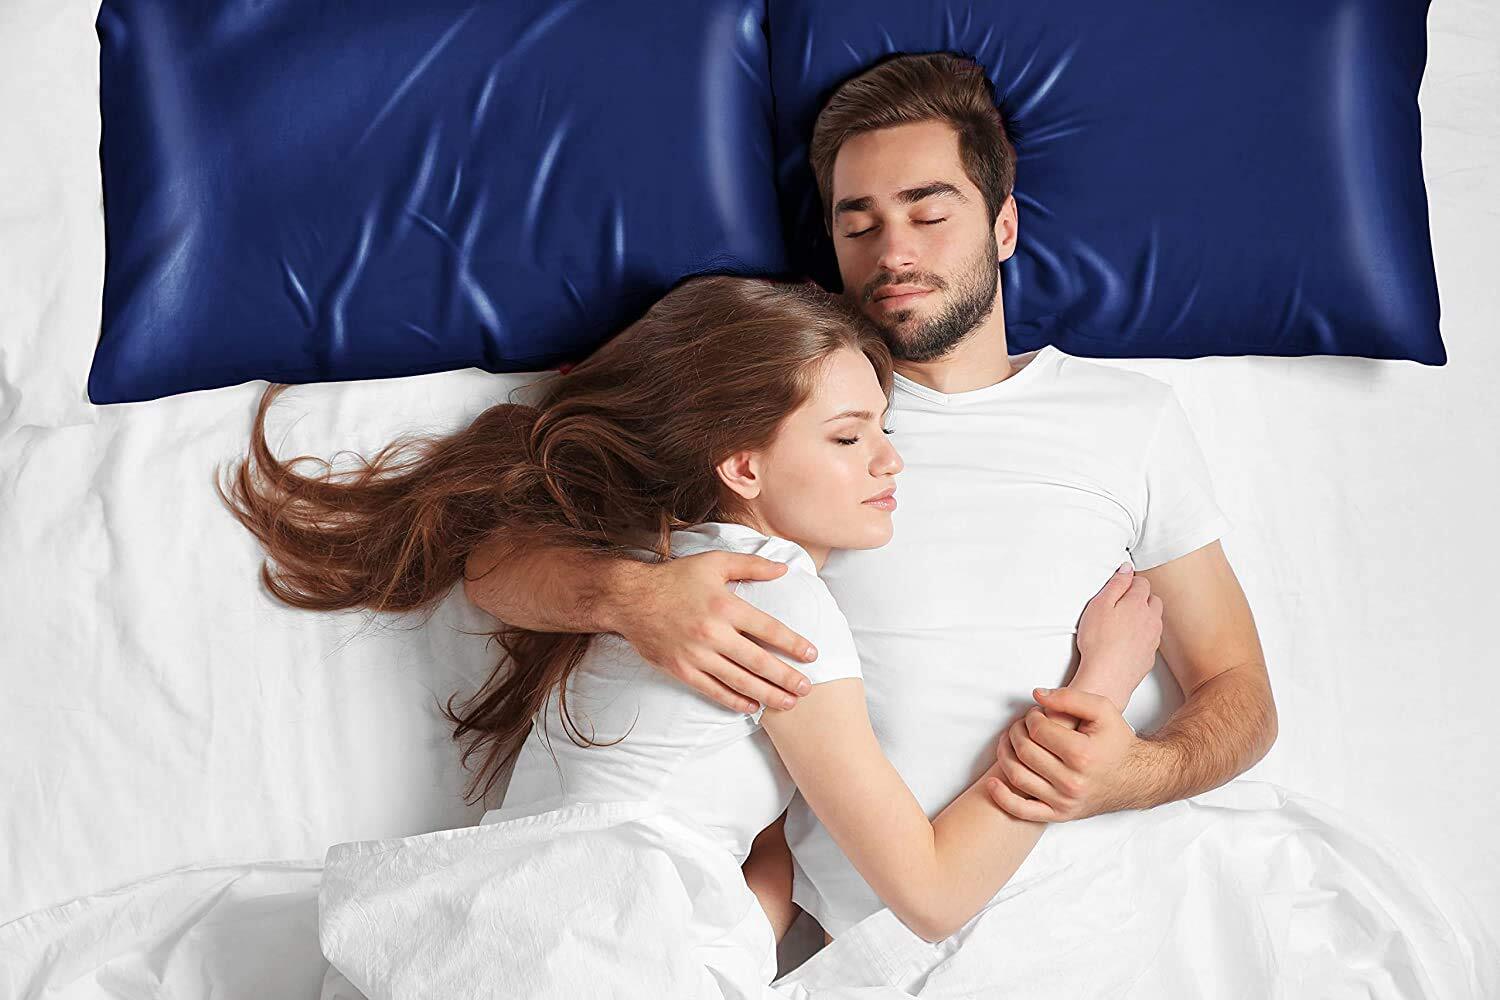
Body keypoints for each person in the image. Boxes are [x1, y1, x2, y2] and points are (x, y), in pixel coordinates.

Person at [462, 52, 1276, 947]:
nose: (894, 254)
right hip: (885, 927)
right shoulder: (788, 410)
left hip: (1105, 894)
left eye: (929, 214)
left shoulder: (1129, 417)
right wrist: (631, 596)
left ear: (1003, 225)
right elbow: (494, 567)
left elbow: (1238, 690)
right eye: (859, 225)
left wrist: (1135, 774)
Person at [218, 276, 1163, 996]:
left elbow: (492, 570)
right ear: (743, 465)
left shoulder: (654, 553)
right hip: (602, 945)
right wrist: (1103, 686)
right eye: (848, 438)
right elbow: (933, 894)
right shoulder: (778, 601)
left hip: (500, 919)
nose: (891, 460)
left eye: (883, 428)